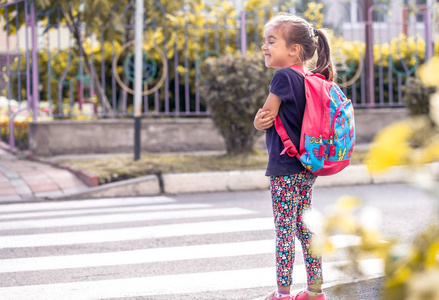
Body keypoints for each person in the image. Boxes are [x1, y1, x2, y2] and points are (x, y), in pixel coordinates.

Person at [254, 13, 336, 300]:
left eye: (272, 41)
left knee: (285, 231)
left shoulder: (283, 77)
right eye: (265, 41)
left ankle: (283, 293)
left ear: (294, 50)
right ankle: (315, 291)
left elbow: (266, 116)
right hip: (306, 166)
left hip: (284, 167)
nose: (265, 46)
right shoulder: (310, 78)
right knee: (304, 228)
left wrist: (257, 121)